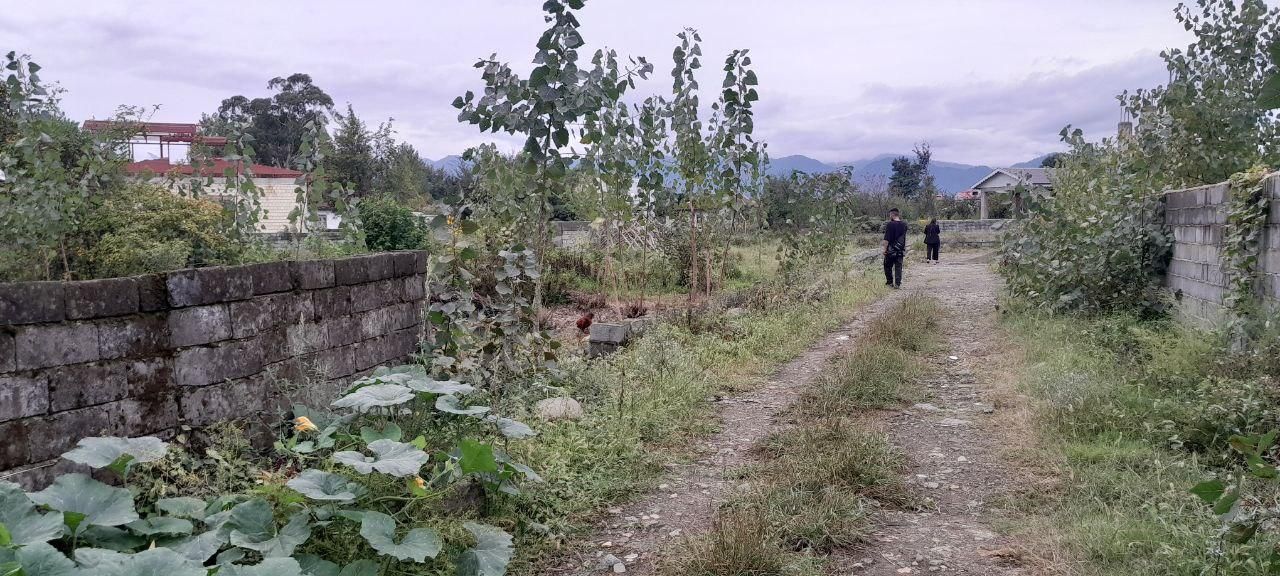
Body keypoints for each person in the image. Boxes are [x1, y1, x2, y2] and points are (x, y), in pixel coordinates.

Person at [881, 208, 907, 288]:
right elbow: (904, 238)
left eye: (890, 215)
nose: (889, 216)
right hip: (900, 249)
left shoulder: (890, 224)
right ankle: (897, 284)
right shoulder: (904, 224)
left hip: (891, 250)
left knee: (887, 266)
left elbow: (886, 239)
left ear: (892, 214)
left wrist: (884, 249)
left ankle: (889, 282)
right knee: (898, 267)